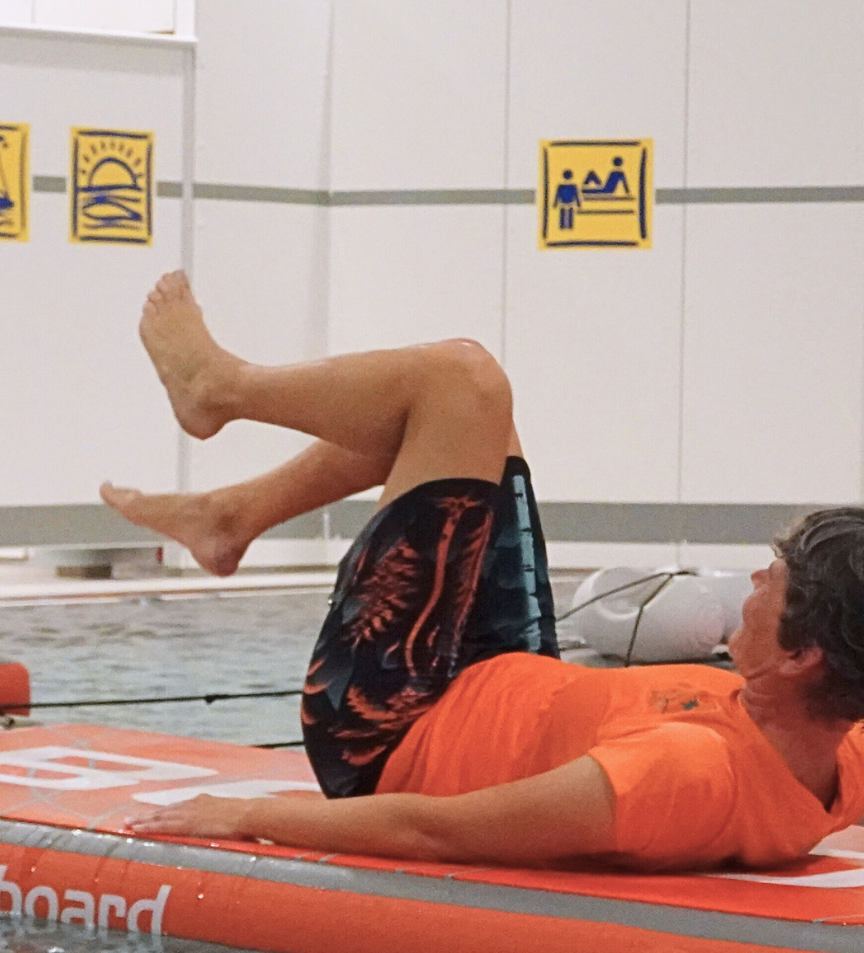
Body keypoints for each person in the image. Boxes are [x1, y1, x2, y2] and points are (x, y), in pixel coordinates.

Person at [101, 271, 864, 872]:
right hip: (509, 674)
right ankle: (230, 519)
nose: (753, 585)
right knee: (471, 419)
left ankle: (216, 391)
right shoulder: (840, 746)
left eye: (774, 580)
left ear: (802, 656)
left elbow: (434, 832)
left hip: (392, 728)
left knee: (459, 381)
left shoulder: (688, 773)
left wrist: (245, 815)